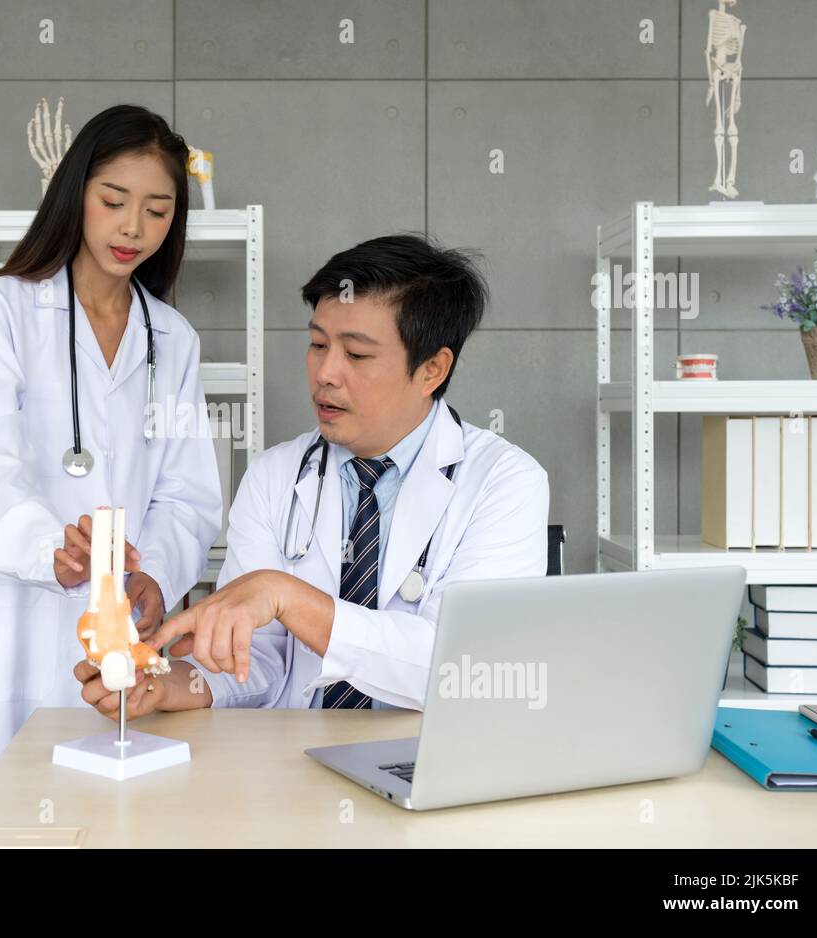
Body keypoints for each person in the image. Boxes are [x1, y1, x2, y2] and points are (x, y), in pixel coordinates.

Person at [74, 233, 548, 718]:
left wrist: (287, 596)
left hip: (428, 762)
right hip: (298, 761)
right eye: (318, 344)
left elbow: (463, 667)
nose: (325, 372)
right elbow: (257, 659)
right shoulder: (274, 476)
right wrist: (169, 684)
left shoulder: (504, 482)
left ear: (432, 369)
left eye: (357, 355)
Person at [0, 104, 222, 838]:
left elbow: (188, 492)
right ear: (74, 194)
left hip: (119, 623)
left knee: (109, 822)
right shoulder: (1, 309)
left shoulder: (173, 341)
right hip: (10, 612)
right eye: (113, 201)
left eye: (157, 210)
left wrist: (153, 570)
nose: (133, 228)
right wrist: (46, 547)